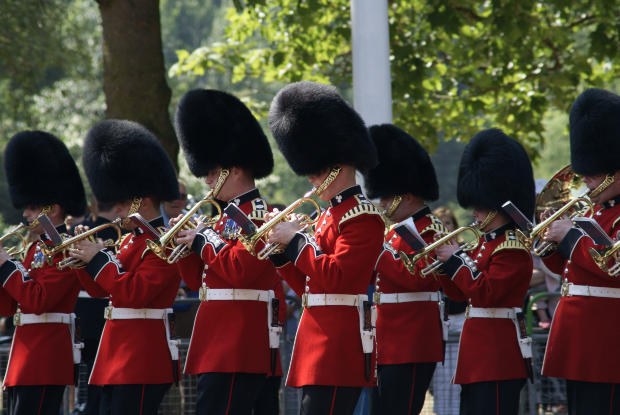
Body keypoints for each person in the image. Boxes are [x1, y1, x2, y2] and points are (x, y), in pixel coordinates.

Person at [266, 81, 384, 415]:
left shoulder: (363, 218)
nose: (312, 179)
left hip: (339, 343)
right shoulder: (328, 216)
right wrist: (280, 252)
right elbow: (308, 283)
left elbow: (339, 278)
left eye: (316, 171)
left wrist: (295, 240)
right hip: (317, 336)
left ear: (339, 165)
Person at [172, 88, 281, 414]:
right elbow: (200, 280)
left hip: (239, 343)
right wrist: (184, 246)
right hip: (219, 342)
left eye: (211, 172)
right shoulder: (219, 221)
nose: (206, 181)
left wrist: (201, 240)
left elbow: (240, 271)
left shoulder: (259, 215)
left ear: (234, 170)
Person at [68, 119, 181, 414]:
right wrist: (81, 261)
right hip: (117, 355)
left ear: (141, 201)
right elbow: (102, 289)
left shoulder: (162, 242)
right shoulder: (131, 241)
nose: (116, 210)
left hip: (142, 357)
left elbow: (135, 293)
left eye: (122, 203)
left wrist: (98, 259)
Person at [434, 128, 535, 415]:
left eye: (480, 205)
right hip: (477, 357)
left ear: (496, 203)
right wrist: (443, 266)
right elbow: (461, 292)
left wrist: (456, 262)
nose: (474, 212)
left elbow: (487, 293)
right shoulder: (483, 245)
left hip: (498, 357)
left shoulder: (511, 248)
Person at [541, 88, 620, 414]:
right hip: (578, 338)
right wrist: (550, 241)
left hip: (607, 339)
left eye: (595, 172)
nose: (586, 179)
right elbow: (567, 270)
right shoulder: (593, 214)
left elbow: (613, 266)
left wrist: (570, 238)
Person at [0, 130, 86, 414]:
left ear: (55, 207)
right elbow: (10, 304)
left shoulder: (63, 249)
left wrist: (5, 266)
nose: (25, 214)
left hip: (44, 360)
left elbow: (39, 300)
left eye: (33, 207)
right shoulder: (34, 249)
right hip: (26, 359)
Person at [361, 124, 444, 414]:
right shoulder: (395, 231)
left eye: (386, 196)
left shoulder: (430, 230)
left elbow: (419, 276)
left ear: (407, 195)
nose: (382, 203)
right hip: (386, 338)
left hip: (412, 341)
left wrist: (374, 249)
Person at [431, 206, 468, 415]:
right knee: (442, 382)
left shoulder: (462, 251)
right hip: (442, 321)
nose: (445, 228)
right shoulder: (432, 252)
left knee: (459, 379)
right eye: (440, 224)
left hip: (461, 319)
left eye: (448, 223)